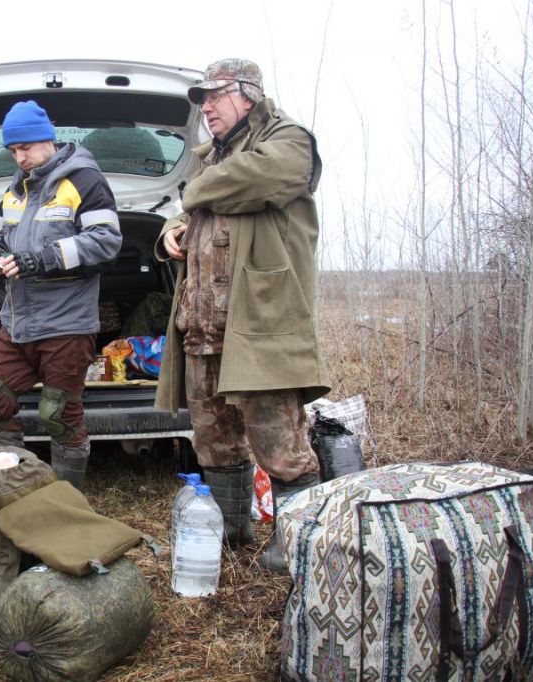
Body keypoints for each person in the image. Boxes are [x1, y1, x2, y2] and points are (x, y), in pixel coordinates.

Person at [154, 59, 330, 573]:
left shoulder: (288, 140)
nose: (204, 107)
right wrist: (170, 230)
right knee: (215, 443)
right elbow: (187, 212)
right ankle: (231, 532)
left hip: (260, 330)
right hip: (203, 329)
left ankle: (298, 548)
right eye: (201, 100)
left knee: (281, 445)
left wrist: (192, 190)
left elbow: (262, 178)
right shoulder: (214, 160)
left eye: (214, 96)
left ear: (247, 95)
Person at [0, 101, 122, 489]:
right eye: (13, 151)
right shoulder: (15, 188)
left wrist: (41, 259)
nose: (19, 157)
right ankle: (13, 492)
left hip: (66, 325)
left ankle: (64, 504)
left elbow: (106, 242)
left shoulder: (83, 180)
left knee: (57, 413)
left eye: (24, 148)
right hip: (17, 324)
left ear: (47, 139)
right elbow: (1, 234)